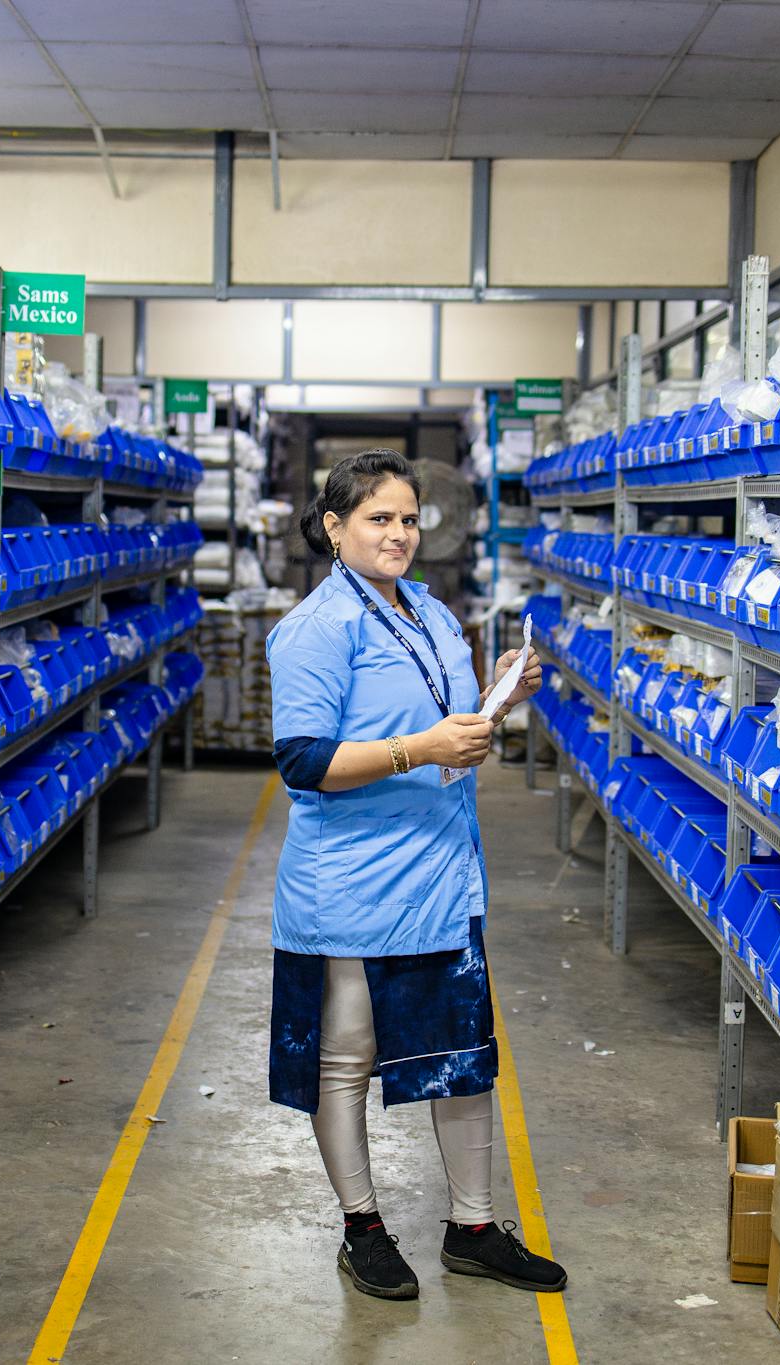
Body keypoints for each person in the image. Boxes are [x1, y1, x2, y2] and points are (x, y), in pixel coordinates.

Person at [265, 448, 566, 1303]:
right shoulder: (319, 628)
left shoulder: (430, 613)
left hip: (438, 874)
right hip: (354, 884)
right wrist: (421, 747)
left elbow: (451, 724)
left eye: (407, 517)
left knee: (463, 1057)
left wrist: (502, 695)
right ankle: (363, 1227)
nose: (399, 533)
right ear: (333, 527)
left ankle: (473, 1227)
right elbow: (302, 758)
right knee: (347, 1057)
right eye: (377, 519)